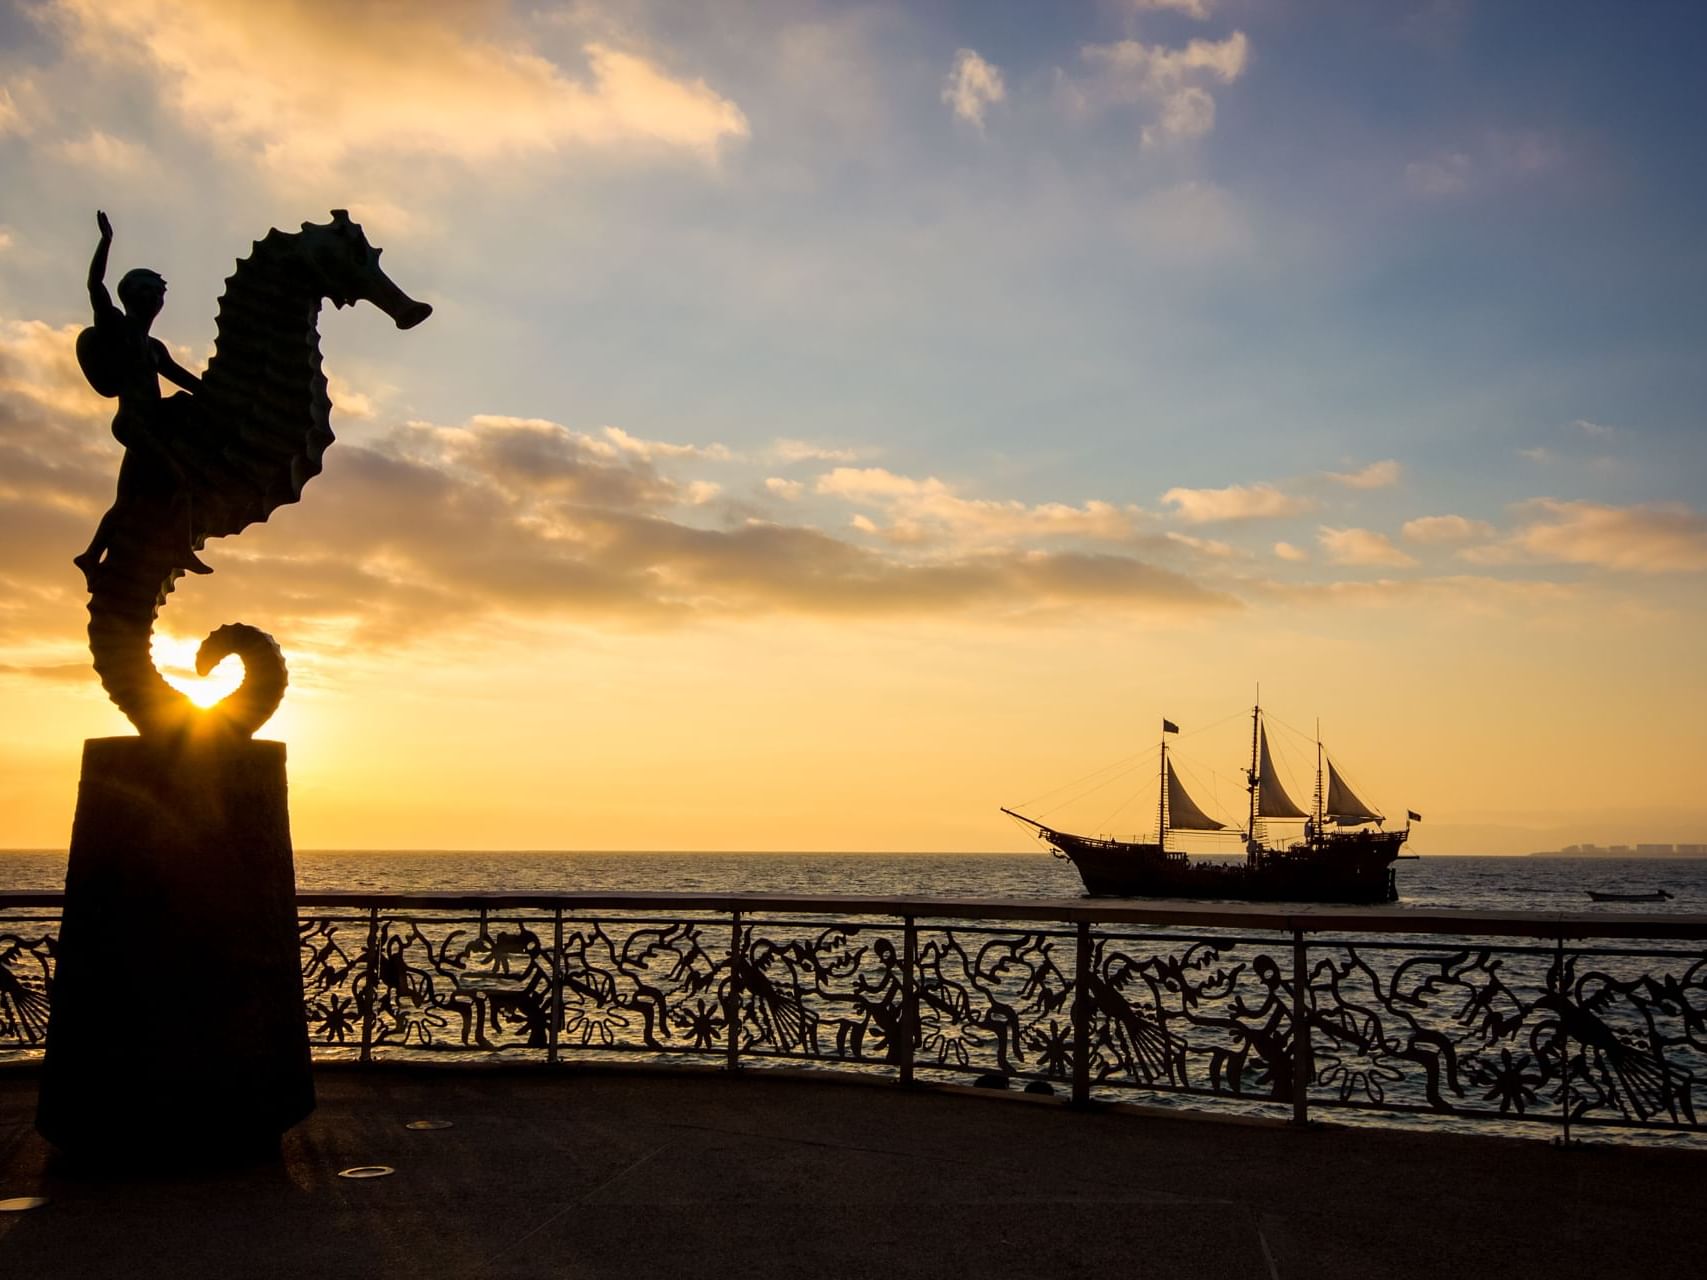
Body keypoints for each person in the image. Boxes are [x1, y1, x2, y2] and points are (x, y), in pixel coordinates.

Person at [74, 209, 212, 584]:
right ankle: (180, 547)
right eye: (146, 291)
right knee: (181, 479)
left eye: (158, 293)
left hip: (153, 421)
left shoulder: (154, 348)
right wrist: (106, 242)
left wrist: (221, 391)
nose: (153, 298)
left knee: (127, 501)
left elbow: (187, 381)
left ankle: (89, 556)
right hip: (134, 423)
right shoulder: (118, 329)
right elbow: (94, 287)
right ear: (131, 297)